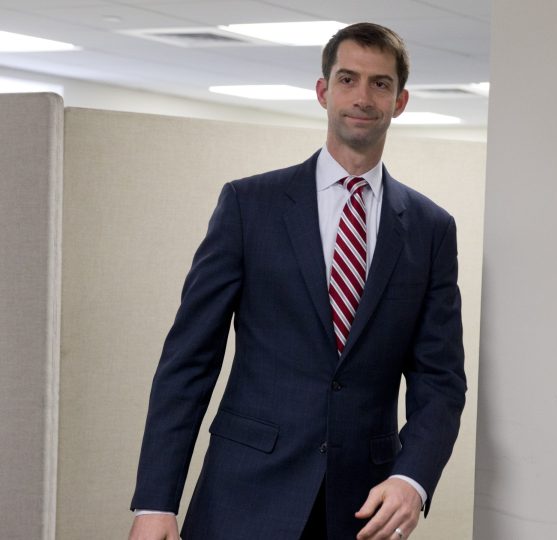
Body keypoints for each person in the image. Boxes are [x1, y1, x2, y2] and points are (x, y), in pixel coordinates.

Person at [128, 22, 466, 540]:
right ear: (323, 91)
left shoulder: (431, 228)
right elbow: (188, 362)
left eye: (380, 84)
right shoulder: (249, 206)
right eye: (348, 79)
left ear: (400, 101)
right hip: (245, 495)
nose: (362, 97)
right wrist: (156, 501)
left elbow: (440, 380)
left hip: (363, 507)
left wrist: (412, 478)